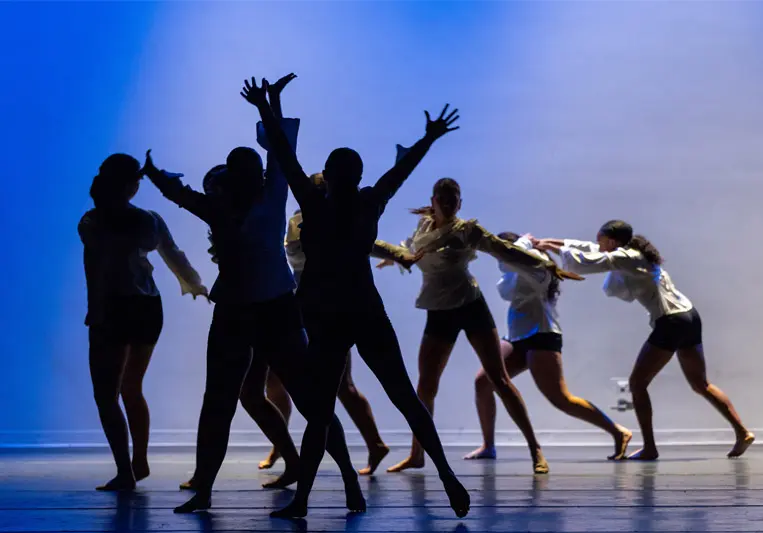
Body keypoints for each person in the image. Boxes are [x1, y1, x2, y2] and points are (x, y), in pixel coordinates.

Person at [243, 76, 470, 519]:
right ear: (359, 175)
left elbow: (285, 158)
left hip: (327, 316)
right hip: (365, 309)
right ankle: (446, 474)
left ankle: (304, 499)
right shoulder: (370, 202)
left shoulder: (313, 201)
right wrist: (429, 137)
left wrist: (265, 107)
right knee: (405, 396)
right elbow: (399, 172)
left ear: (328, 173)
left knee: (321, 412)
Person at [143, 74, 366, 514]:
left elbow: (280, 153)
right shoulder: (228, 206)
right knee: (222, 401)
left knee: (306, 399)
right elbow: (180, 194)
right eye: (239, 172)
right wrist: (153, 174)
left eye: (248, 172)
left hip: (272, 308)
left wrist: (269, 106)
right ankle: (204, 489)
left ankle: (348, 483)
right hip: (242, 309)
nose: (246, 178)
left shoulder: (267, 197)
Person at [377, 178, 582, 475]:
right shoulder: (423, 227)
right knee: (425, 385)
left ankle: (536, 449)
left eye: (453, 201)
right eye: (442, 200)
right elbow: (410, 249)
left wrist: (544, 264)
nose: (447, 205)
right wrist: (394, 258)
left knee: (499, 379)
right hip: (438, 311)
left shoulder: (468, 231)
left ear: (459, 204)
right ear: (433, 200)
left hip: (471, 308)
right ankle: (417, 454)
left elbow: (504, 250)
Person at [535, 220, 755, 460]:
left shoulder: (626, 257)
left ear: (612, 240)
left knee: (637, 384)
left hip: (670, 321)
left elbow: (586, 261)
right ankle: (742, 432)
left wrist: (550, 249)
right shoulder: (635, 254)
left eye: (600, 240)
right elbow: (586, 248)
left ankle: (650, 447)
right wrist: (547, 243)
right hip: (689, 316)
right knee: (700, 383)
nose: (597, 244)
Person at [259, 147, 412, 476]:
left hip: (329, 306)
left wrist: (399, 254)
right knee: (285, 379)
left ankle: (373, 444)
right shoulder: (296, 220)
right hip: (306, 303)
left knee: (339, 385)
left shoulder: (330, 214)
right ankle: (283, 445)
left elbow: (365, 242)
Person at [79, 153, 208, 491]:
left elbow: (94, 268)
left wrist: (95, 309)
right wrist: (196, 285)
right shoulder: (147, 221)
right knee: (130, 387)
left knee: (107, 395)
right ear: (133, 186)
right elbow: (173, 254)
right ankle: (138, 461)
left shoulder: (92, 222)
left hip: (115, 308)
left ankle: (127, 469)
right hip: (147, 306)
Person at [464, 232, 631, 462]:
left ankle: (618, 431)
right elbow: (507, 278)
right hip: (517, 336)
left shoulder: (535, 264)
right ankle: (488, 446)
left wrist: (523, 243)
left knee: (560, 398)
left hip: (542, 334)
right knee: (483, 381)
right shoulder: (514, 266)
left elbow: (508, 264)